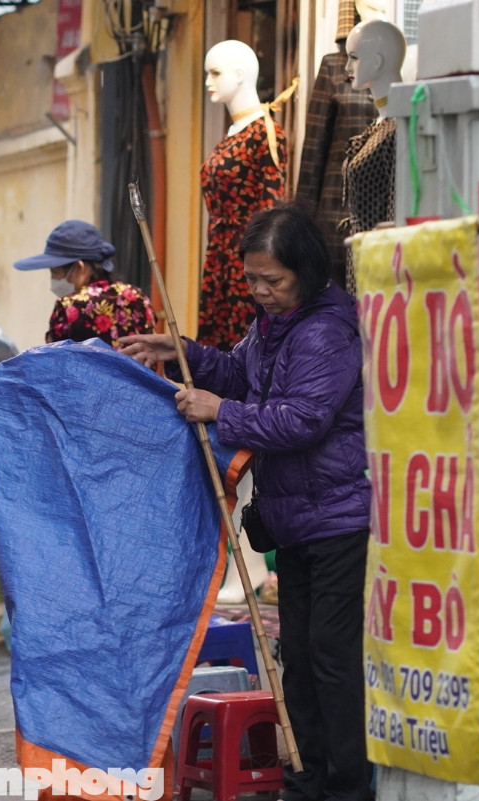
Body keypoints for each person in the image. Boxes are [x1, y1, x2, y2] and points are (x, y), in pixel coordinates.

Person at [120, 205, 373, 801]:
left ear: (305, 272)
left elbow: (303, 419)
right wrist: (181, 349)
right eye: (253, 279)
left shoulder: (327, 330)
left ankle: (347, 787)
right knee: (301, 659)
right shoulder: (274, 325)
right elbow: (240, 372)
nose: (260, 292)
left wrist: (220, 412)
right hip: (295, 516)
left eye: (273, 281)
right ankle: (306, 778)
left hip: (339, 516)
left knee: (332, 660)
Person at [198, 40, 288, 351]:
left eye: (215, 73)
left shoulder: (266, 132)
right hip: (219, 256)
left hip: (247, 260)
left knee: (244, 347)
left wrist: (261, 264)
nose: (208, 82)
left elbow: (273, 207)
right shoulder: (233, 134)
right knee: (217, 351)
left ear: (239, 74)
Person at [294, 0, 379, 288]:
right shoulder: (335, 66)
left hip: (378, 218)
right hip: (334, 216)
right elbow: (313, 151)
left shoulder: (396, 68)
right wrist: (301, 223)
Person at [13, 219, 155, 348]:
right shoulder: (137, 297)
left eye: (55, 272)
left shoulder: (69, 307)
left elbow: (56, 364)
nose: (53, 279)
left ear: (79, 268)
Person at [341, 19, 407, 293]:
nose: (346, 68)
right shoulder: (381, 124)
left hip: (381, 269)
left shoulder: (399, 128)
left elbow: (397, 210)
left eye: (354, 58)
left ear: (378, 61)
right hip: (362, 258)